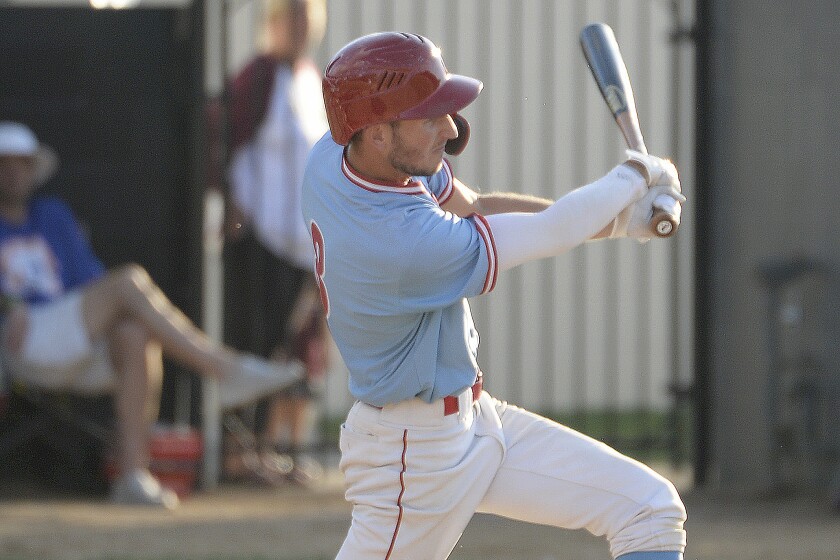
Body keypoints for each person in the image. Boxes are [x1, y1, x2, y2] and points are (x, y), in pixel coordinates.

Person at [301, 32, 688, 560]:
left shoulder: (335, 158)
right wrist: (636, 175)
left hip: (473, 422)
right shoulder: (405, 245)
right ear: (376, 135)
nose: (452, 127)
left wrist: (620, 222)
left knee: (649, 509)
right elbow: (551, 233)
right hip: (413, 458)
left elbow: (480, 207)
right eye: (428, 115)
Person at [0, 121, 303, 509]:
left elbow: (91, 283)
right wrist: (10, 306)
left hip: (71, 336)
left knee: (133, 332)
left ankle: (132, 476)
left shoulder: (53, 216)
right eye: (4, 164)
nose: (12, 173)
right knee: (129, 281)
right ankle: (225, 370)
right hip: (20, 342)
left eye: (19, 164)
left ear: (31, 170)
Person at [221, 0, 330, 486]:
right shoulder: (256, 77)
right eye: (295, 17)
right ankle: (237, 452)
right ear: (275, 22)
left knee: (294, 349)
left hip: (302, 242)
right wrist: (227, 202)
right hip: (259, 236)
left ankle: (276, 448)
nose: (303, 28)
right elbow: (221, 137)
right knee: (254, 342)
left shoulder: (311, 79)